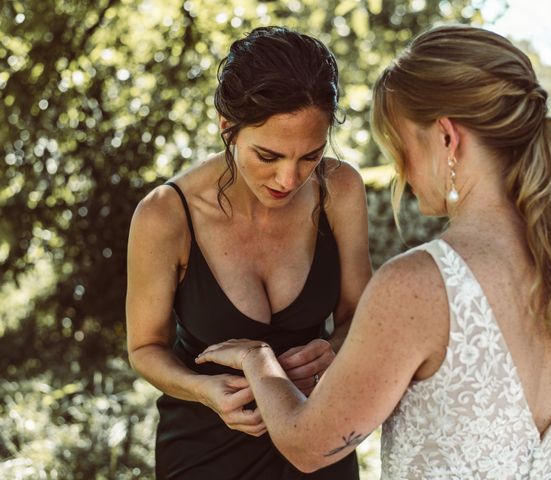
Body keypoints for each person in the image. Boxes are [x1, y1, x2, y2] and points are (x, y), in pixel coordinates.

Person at [196, 25, 551, 480]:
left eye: (400, 145)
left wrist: (258, 361)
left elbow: (308, 446)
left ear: (445, 137)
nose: (401, 171)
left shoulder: (419, 285)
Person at [125, 26, 371, 479]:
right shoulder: (165, 216)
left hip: (316, 441)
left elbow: (359, 313)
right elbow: (145, 348)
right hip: (203, 454)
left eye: (310, 156)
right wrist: (203, 391)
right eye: (269, 155)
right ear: (227, 126)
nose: (288, 179)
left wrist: (335, 348)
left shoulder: (340, 189)